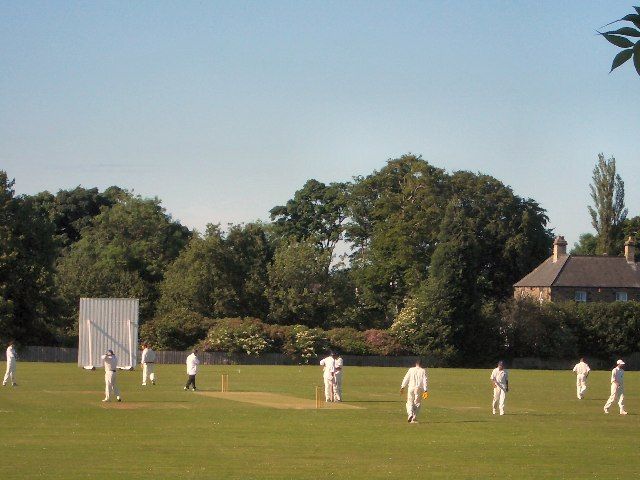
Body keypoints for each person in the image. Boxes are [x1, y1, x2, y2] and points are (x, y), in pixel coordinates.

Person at [400, 359, 428, 423]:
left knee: (409, 402)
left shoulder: (411, 369)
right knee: (417, 403)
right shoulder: (423, 371)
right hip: (419, 389)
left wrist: (402, 387)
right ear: (421, 364)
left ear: (416, 364)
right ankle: (414, 417)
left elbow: (406, 378)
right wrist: (425, 390)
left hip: (411, 388)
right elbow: (425, 380)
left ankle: (410, 414)